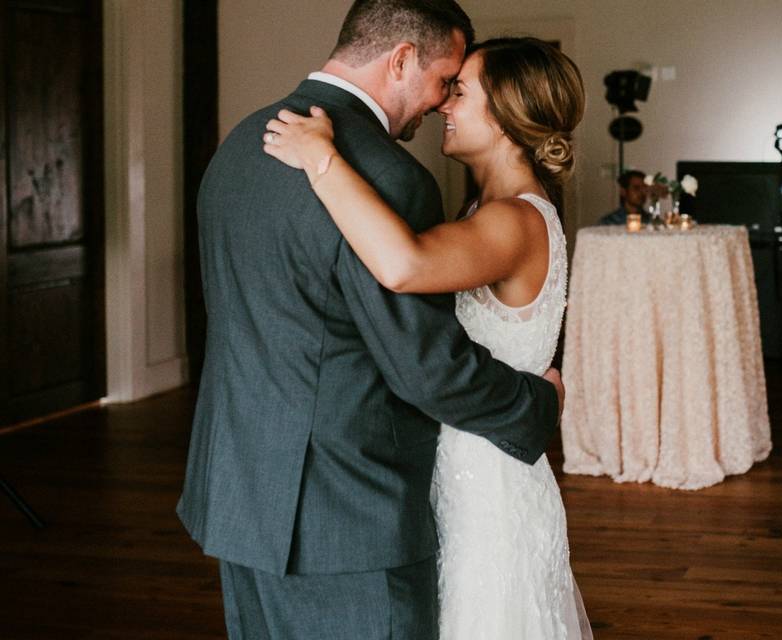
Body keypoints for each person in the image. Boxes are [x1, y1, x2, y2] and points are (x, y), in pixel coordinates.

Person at [176, 2, 564, 639]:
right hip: (348, 513)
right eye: (444, 81)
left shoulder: (243, 142)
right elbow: (425, 368)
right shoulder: (388, 176)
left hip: (239, 494)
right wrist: (535, 405)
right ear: (403, 60)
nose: (439, 101)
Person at [262, 36, 593, 640]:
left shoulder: (514, 220)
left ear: (504, 114)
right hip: (467, 464)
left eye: (460, 91)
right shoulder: (488, 212)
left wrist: (322, 161)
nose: (443, 103)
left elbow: (405, 266)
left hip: (485, 485)